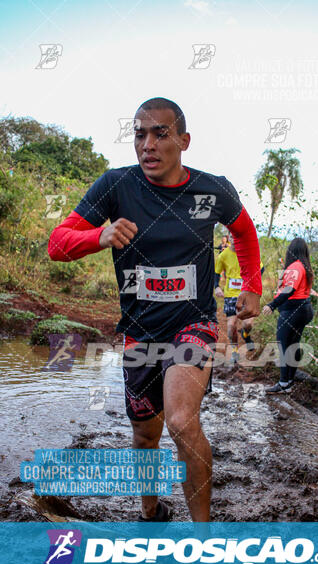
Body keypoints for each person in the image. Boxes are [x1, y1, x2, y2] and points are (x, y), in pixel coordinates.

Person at [48, 98, 261, 533]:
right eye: (139, 134)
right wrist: (99, 235)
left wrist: (253, 286)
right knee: (145, 435)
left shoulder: (210, 190)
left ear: (183, 141)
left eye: (160, 133)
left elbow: (243, 230)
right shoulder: (115, 186)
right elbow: (57, 243)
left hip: (194, 325)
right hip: (139, 334)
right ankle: (150, 513)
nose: (148, 144)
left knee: (181, 420)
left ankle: (204, 544)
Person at [262, 237, 314, 393]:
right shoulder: (305, 266)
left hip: (292, 311)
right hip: (303, 309)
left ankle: (284, 383)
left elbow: (289, 289)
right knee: (293, 345)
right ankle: (289, 380)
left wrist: (272, 305)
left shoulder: (296, 267)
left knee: (284, 346)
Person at [215, 233, 264, 364]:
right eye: (231, 236)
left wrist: (252, 283)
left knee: (248, 324)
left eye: (236, 236)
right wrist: (216, 287)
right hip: (231, 294)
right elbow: (216, 273)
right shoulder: (223, 255)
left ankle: (246, 334)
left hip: (247, 293)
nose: (234, 239)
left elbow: (261, 268)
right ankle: (235, 352)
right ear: (229, 238)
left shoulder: (248, 253)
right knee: (231, 326)